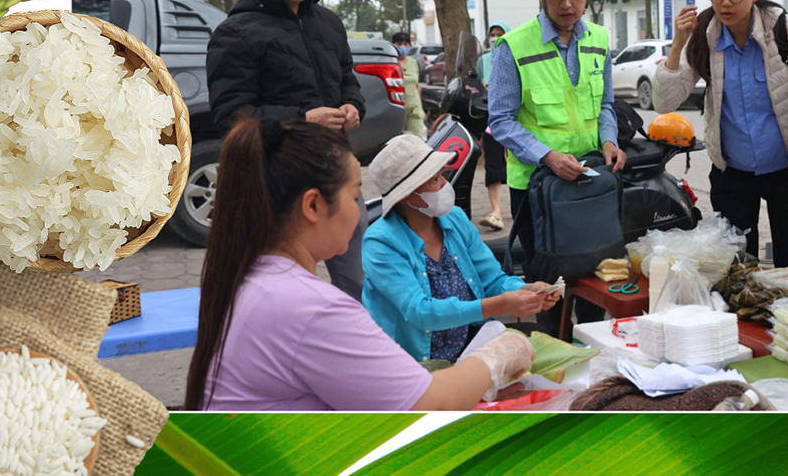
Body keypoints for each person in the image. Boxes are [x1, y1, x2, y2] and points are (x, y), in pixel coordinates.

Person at [183, 118, 535, 411]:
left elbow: (492, 279)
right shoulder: (313, 306)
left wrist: (521, 293)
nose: (360, 212)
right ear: (313, 206)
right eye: (354, 196)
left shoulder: (257, 277)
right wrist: (496, 358)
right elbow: (428, 402)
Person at [207, 0, 367, 300]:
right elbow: (230, 115)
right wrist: (302, 119)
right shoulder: (236, 34)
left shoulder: (328, 23)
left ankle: (355, 351)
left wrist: (352, 105)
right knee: (285, 288)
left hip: (336, 169)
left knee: (358, 282)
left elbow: (348, 78)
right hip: (277, 181)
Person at [488, 0, 625, 329]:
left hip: (590, 181)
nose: (566, 4)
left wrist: (610, 142)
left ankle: (594, 355)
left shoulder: (599, 39)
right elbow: (500, 120)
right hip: (537, 188)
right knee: (548, 291)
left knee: (597, 282)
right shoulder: (511, 47)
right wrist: (547, 156)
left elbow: (605, 106)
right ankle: (553, 361)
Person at [652, 0, 788, 270]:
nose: (725, 3)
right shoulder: (703, 34)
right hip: (732, 173)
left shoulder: (784, 29)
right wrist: (677, 45)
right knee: (737, 267)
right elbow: (665, 102)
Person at [363, 135, 562, 363]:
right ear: (408, 194)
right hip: (410, 362)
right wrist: (501, 304)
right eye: (435, 180)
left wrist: (526, 289)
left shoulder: (454, 219)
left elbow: (492, 280)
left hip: (468, 347)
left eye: (442, 177)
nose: (445, 186)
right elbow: (421, 312)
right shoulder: (381, 242)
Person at [474, 20, 509, 231]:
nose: (495, 38)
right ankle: (496, 211)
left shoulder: (515, 56)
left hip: (516, 120)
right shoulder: (483, 61)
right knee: (493, 164)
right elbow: (475, 86)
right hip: (492, 120)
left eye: (500, 34)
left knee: (519, 164)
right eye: (492, 34)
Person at [391, 32, 427, 137]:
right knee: (396, 141)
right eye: (399, 43)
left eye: (406, 44)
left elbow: (417, 86)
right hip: (397, 108)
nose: (403, 47)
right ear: (393, 45)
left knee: (417, 139)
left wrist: (421, 108)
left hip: (414, 107)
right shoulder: (391, 63)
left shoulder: (413, 62)